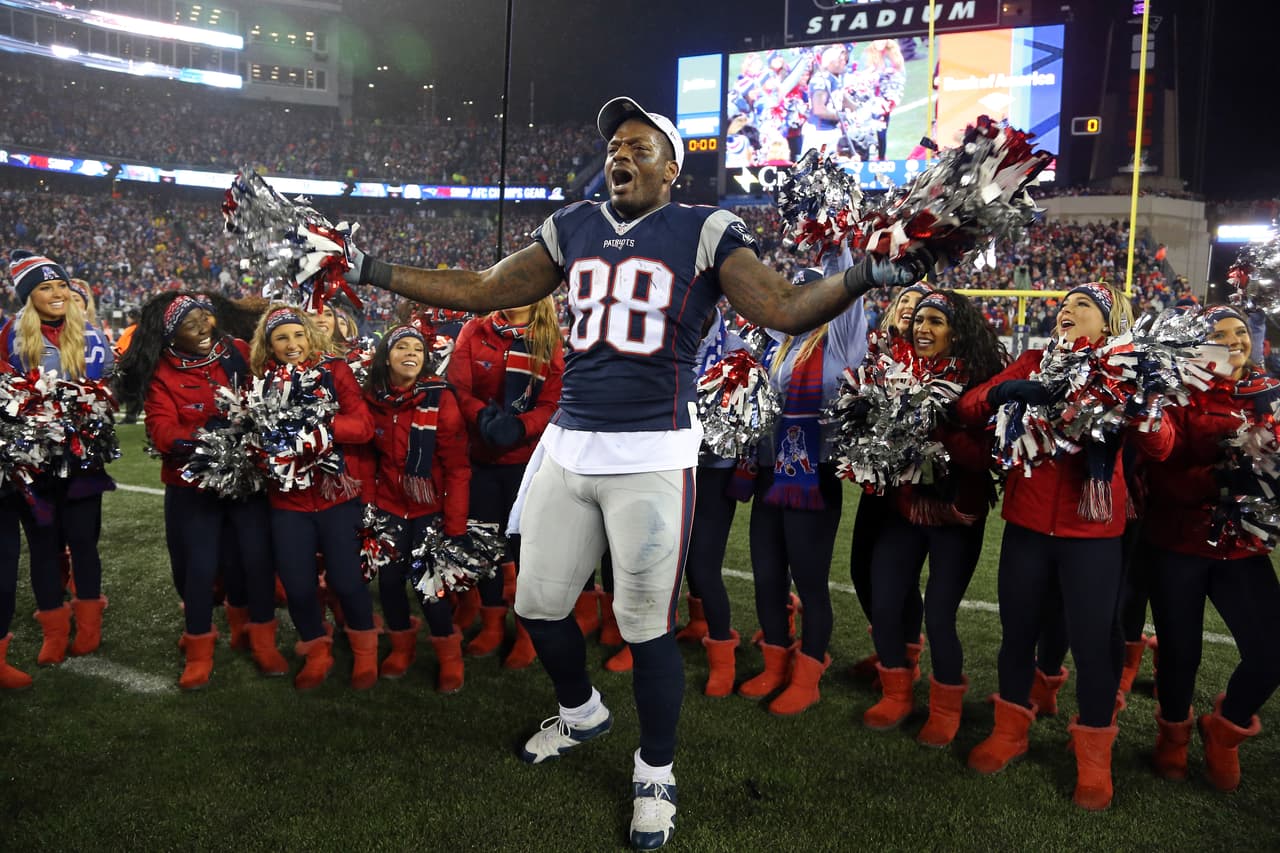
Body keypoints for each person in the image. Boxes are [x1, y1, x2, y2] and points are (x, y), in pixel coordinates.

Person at [340, 95, 921, 850]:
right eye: (616, 144)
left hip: (651, 451)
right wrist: (369, 267)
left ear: (672, 168)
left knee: (644, 626)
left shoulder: (705, 227)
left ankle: (655, 769)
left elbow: (780, 307)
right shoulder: (572, 224)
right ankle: (582, 711)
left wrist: (869, 273)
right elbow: (486, 289)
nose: (622, 153)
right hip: (570, 441)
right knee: (540, 606)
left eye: (641, 146)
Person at [956, 283, 1173, 810]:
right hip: (1028, 526)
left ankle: (1094, 758)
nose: (1066, 311)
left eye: (1083, 306)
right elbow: (968, 407)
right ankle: (1010, 730)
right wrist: (1003, 393)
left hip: (1092, 534)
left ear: (1110, 323)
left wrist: (1137, 405)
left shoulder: (1126, 372)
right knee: (1018, 633)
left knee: (1095, 647)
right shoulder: (1033, 360)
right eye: (1064, 305)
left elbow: (1162, 443)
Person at [113, 292, 286, 689]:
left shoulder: (240, 351)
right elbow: (161, 429)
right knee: (198, 570)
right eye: (191, 326)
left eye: (205, 319)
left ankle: (258, 638)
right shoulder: (163, 371)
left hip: (247, 481)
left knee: (256, 562)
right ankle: (199, 652)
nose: (203, 328)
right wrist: (204, 443)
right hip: (192, 485)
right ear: (173, 336)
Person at [859, 290, 1006, 744]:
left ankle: (945, 708)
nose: (923, 327)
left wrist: (937, 421)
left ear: (957, 331)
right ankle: (897, 692)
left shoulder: (980, 380)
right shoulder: (896, 374)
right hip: (904, 510)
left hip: (955, 515)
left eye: (936, 321)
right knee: (885, 603)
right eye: (919, 319)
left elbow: (985, 456)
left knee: (939, 615)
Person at [1143, 306, 1280, 790]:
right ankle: (1172, 738)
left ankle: (1224, 731)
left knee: (1271, 652)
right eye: (1219, 335)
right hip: (1178, 540)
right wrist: (1221, 474)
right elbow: (1160, 468)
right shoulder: (1180, 391)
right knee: (1181, 653)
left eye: (1239, 332)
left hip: (1242, 548)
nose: (1233, 341)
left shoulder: (1270, 393)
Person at [737, 256, 864, 716]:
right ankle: (774, 662)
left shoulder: (842, 341)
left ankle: (807, 676)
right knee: (767, 576)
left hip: (814, 474)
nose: (801, 305)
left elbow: (850, 287)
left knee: (809, 582)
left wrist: (834, 244)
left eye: (811, 297)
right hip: (772, 472)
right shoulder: (779, 342)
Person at [248, 305, 376, 691]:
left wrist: (317, 426)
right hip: (288, 503)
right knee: (299, 586)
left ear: (310, 336)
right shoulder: (261, 383)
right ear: (268, 345)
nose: (292, 344)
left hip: (335, 495)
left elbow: (364, 427)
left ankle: (366, 654)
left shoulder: (335, 371)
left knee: (348, 581)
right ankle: (317, 652)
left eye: (298, 335)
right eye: (281, 337)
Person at [0, 251, 114, 666]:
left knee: (84, 544)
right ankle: (53, 630)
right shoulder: (10, 334)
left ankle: (88, 626)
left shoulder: (91, 332)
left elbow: (105, 390)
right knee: (44, 547)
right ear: (29, 296)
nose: (57, 293)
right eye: (45, 287)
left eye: (61, 285)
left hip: (82, 460)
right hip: (31, 462)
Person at [446, 296, 564, 668]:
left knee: (526, 549)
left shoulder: (550, 339)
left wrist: (519, 427)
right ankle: (493, 624)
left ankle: (527, 633)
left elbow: (554, 402)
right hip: (479, 458)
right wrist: (483, 418)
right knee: (485, 546)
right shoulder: (475, 329)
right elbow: (458, 387)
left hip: (525, 462)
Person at [362, 324, 471, 692]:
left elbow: (457, 467)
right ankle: (401, 647)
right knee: (390, 582)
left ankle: (449, 657)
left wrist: (454, 525)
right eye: (402, 347)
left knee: (429, 588)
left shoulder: (441, 398)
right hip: (389, 508)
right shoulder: (373, 398)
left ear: (425, 360)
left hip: (431, 509)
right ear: (386, 357)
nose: (411, 353)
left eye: (418, 349)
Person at [848, 282, 932, 680]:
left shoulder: (934, 359)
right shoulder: (876, 352)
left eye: (919, 304)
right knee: (859, 570)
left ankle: (901, 661)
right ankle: (896, 649)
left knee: (893, 579)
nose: (908, 307)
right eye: (904, 300)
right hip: (877, 486)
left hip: (915, 488)